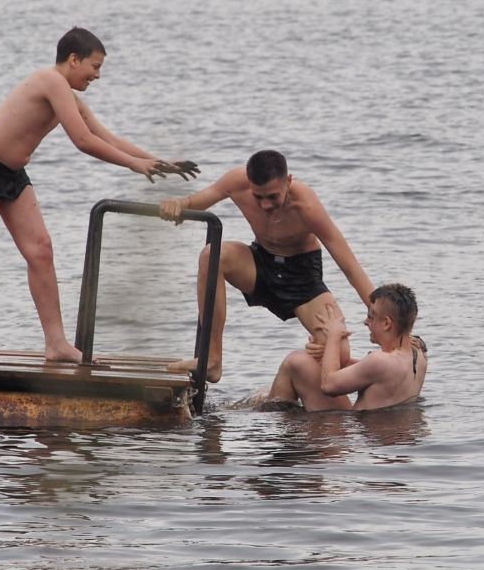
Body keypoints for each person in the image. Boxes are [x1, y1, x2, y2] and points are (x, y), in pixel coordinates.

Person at [0, 27, 198, 361]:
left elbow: (106, 137)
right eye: (95, 66)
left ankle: (56, 343)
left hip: (12, 173)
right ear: (74, 60)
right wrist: (135, 166)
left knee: (41, 251)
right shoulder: (50, 81)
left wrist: (159, 162)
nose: (98, 75)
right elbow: (83, 141)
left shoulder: (68, 95)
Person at [158, 150, 375, 382]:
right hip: (260, 263)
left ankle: (299, 389)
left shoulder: (307, 205)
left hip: (300, 275)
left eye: (272, 196)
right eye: (258, 197)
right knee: (211, 255)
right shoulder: (236, 181)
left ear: (288, 181)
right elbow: (195, 201)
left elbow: (349, 265)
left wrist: (379, 314)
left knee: (339, 351)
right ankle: (212, 361)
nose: (265, 205)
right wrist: (177, 204)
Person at [267, 284, 427, 411]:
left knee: (296, 362)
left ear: (386, 323)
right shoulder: (419, 356)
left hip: (354, 433)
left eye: (371, 316)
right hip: (381, 430)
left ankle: (273, 418)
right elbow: (371, 372)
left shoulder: (380, 360)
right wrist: (328, 353)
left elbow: (328, 385)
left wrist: (334, 336)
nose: (366, 322)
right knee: (305, 362)